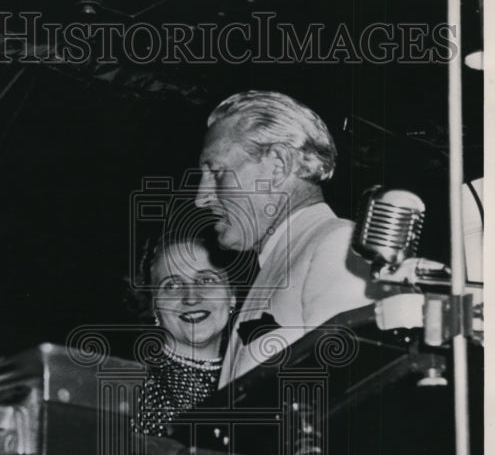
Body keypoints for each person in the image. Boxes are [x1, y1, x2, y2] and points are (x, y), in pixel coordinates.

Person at [194, 90, 373, 386]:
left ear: (277, 165)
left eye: (216, 171)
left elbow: (351, 395)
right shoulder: (281, 262)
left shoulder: (337, 245)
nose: (201, 198)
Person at [132, 232, 236, 437]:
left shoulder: (252, 379)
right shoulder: (139, 396)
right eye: (172, 285)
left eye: (206, 280)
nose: (191, 297)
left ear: (232, 295)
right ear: (154, 306)